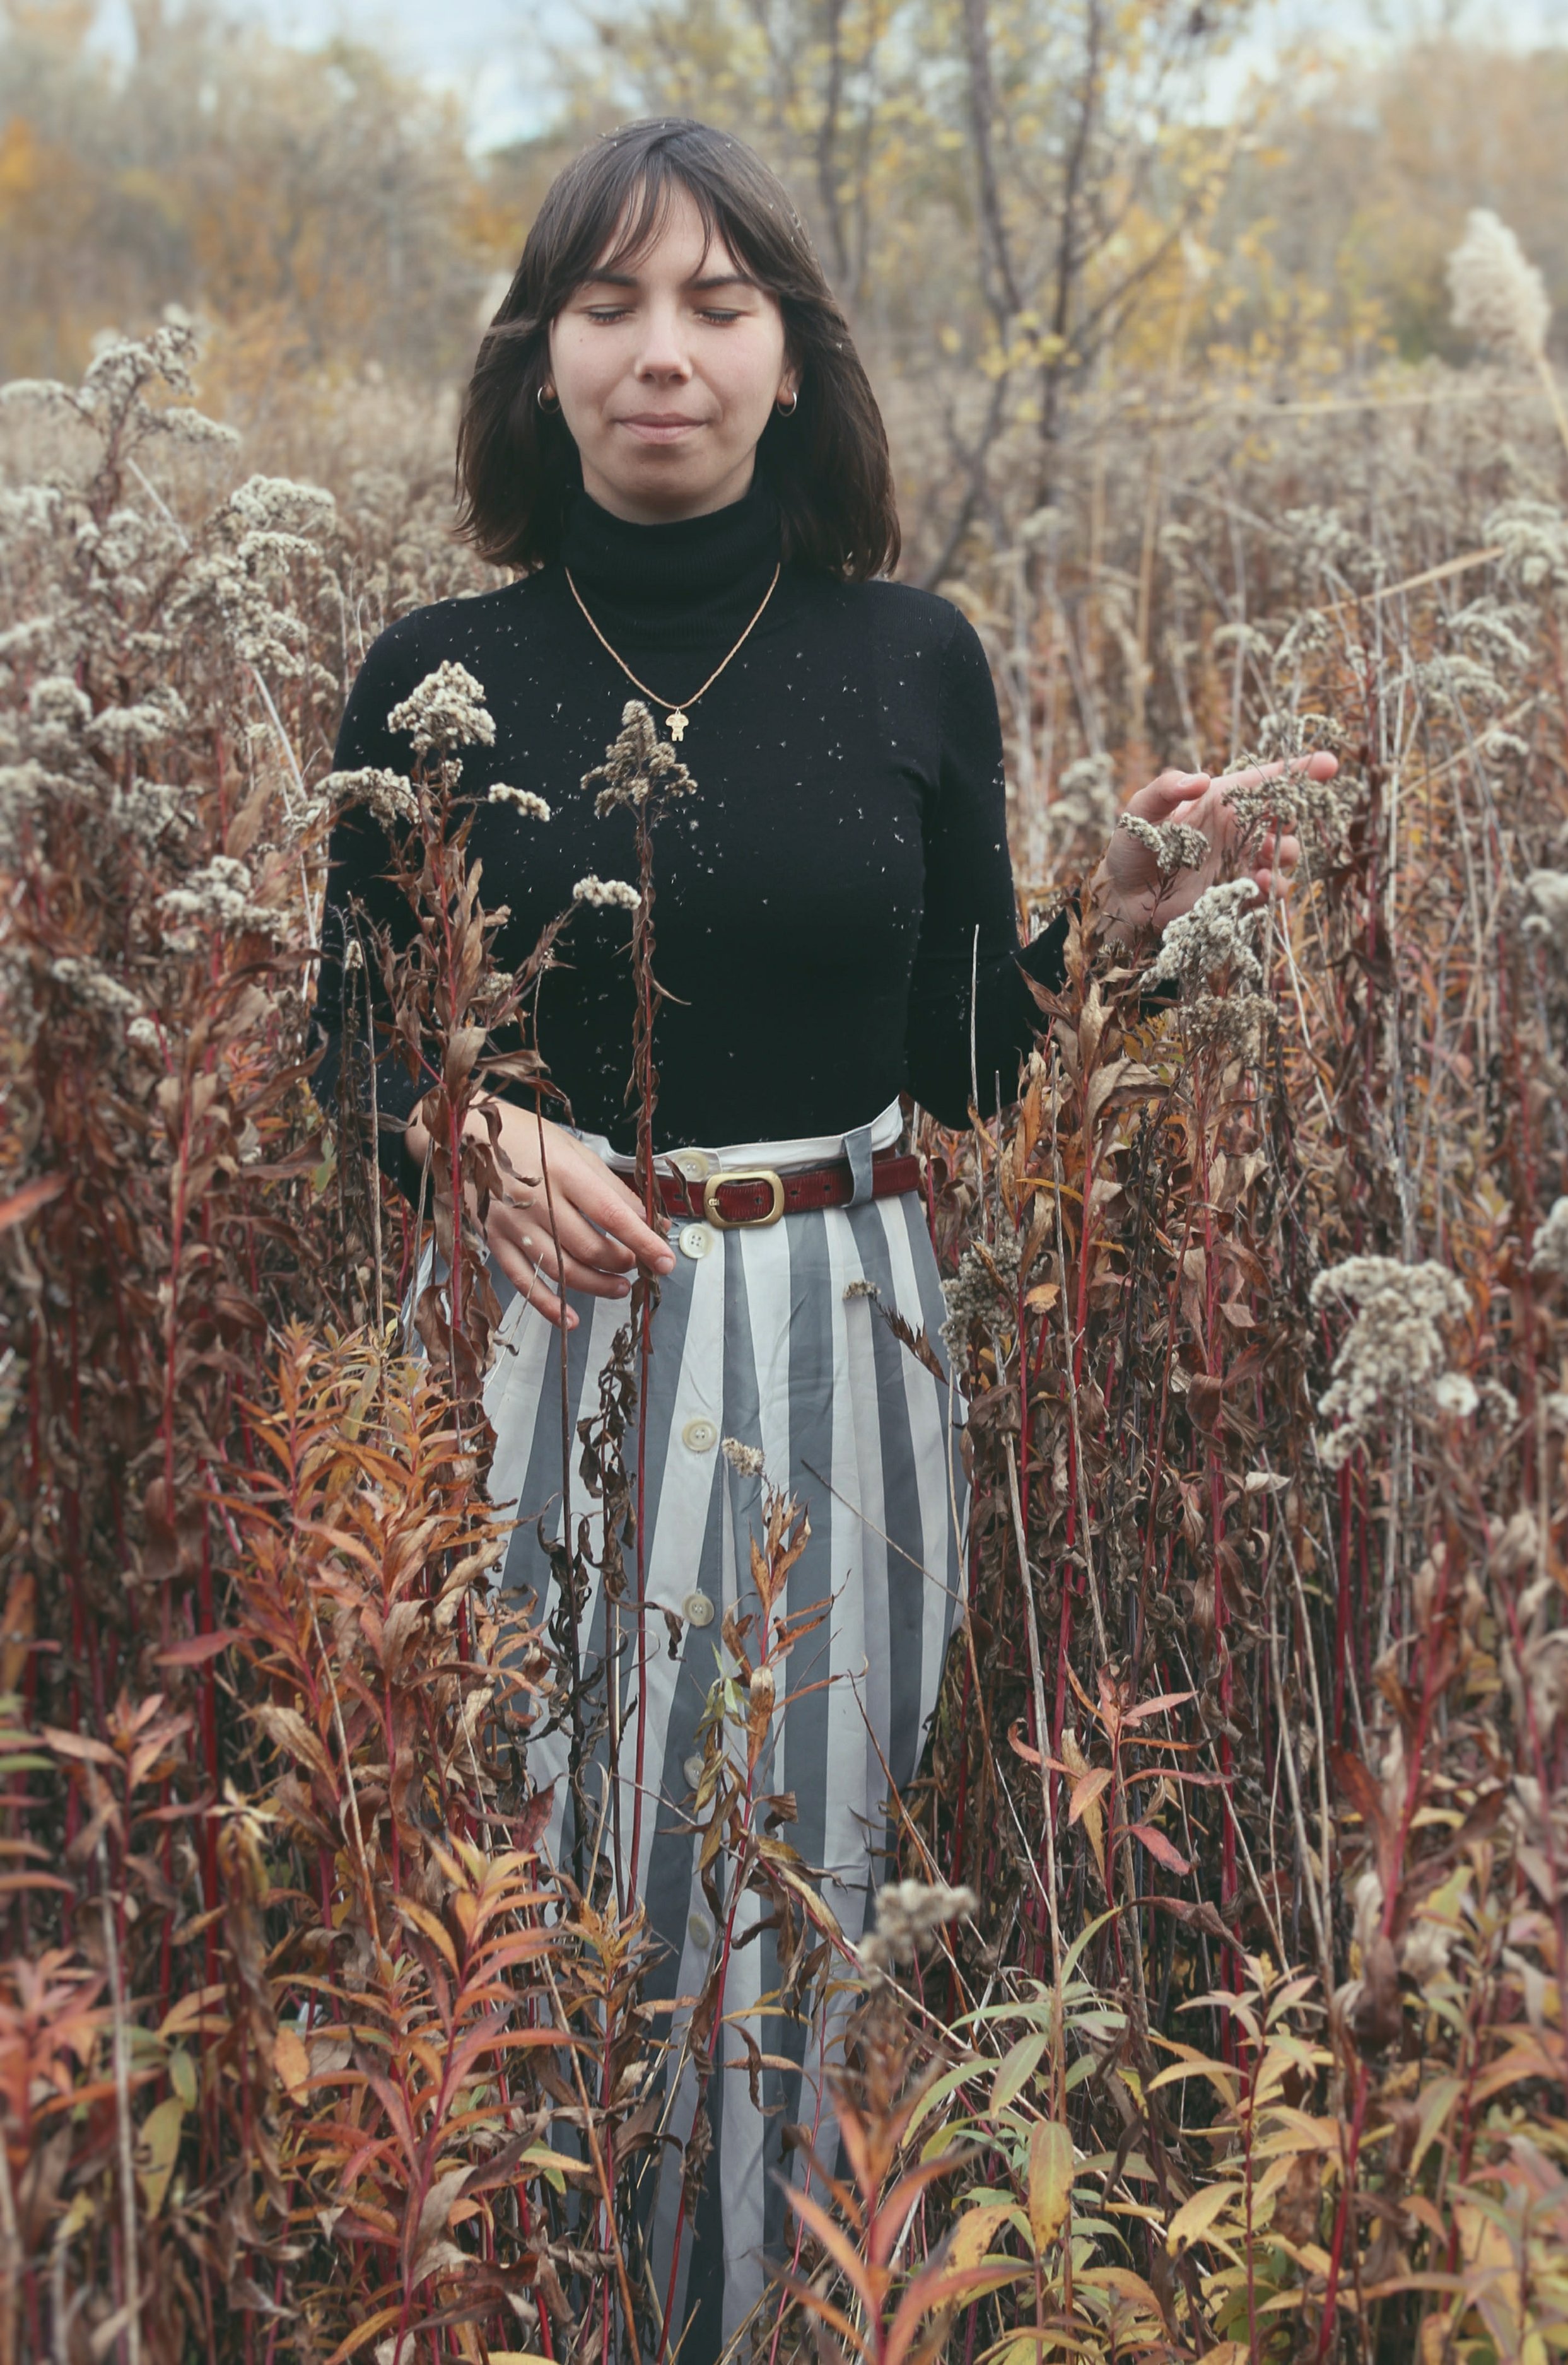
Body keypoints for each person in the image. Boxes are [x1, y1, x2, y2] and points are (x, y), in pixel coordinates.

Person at [316, 116, 1319, 2357]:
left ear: (791, 359)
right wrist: (453, 1125)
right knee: (547, 1875)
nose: (658, 353)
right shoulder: (426, 668)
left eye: (714, 304)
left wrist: (1122, 924)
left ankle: (765, 2315)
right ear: (536, 359)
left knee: (799, 1877)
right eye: (606, 306)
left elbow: (967, 1061)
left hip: (849, 1334)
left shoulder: (910, 658)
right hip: (544, 1341)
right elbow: (339, 1053)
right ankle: (560, 2302)